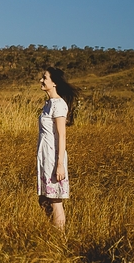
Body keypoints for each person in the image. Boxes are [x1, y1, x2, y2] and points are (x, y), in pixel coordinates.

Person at [37, 66, 78, 231]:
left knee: (55, 199)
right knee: (43, 198)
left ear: (54, 83)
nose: (41, 80)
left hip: (54, 157)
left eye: (45, 78)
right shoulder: (48, 104)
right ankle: (52, 228)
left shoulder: (59, 105)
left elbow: (62, 135)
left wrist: (60, 164)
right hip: (45, 156)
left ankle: (60, 237)